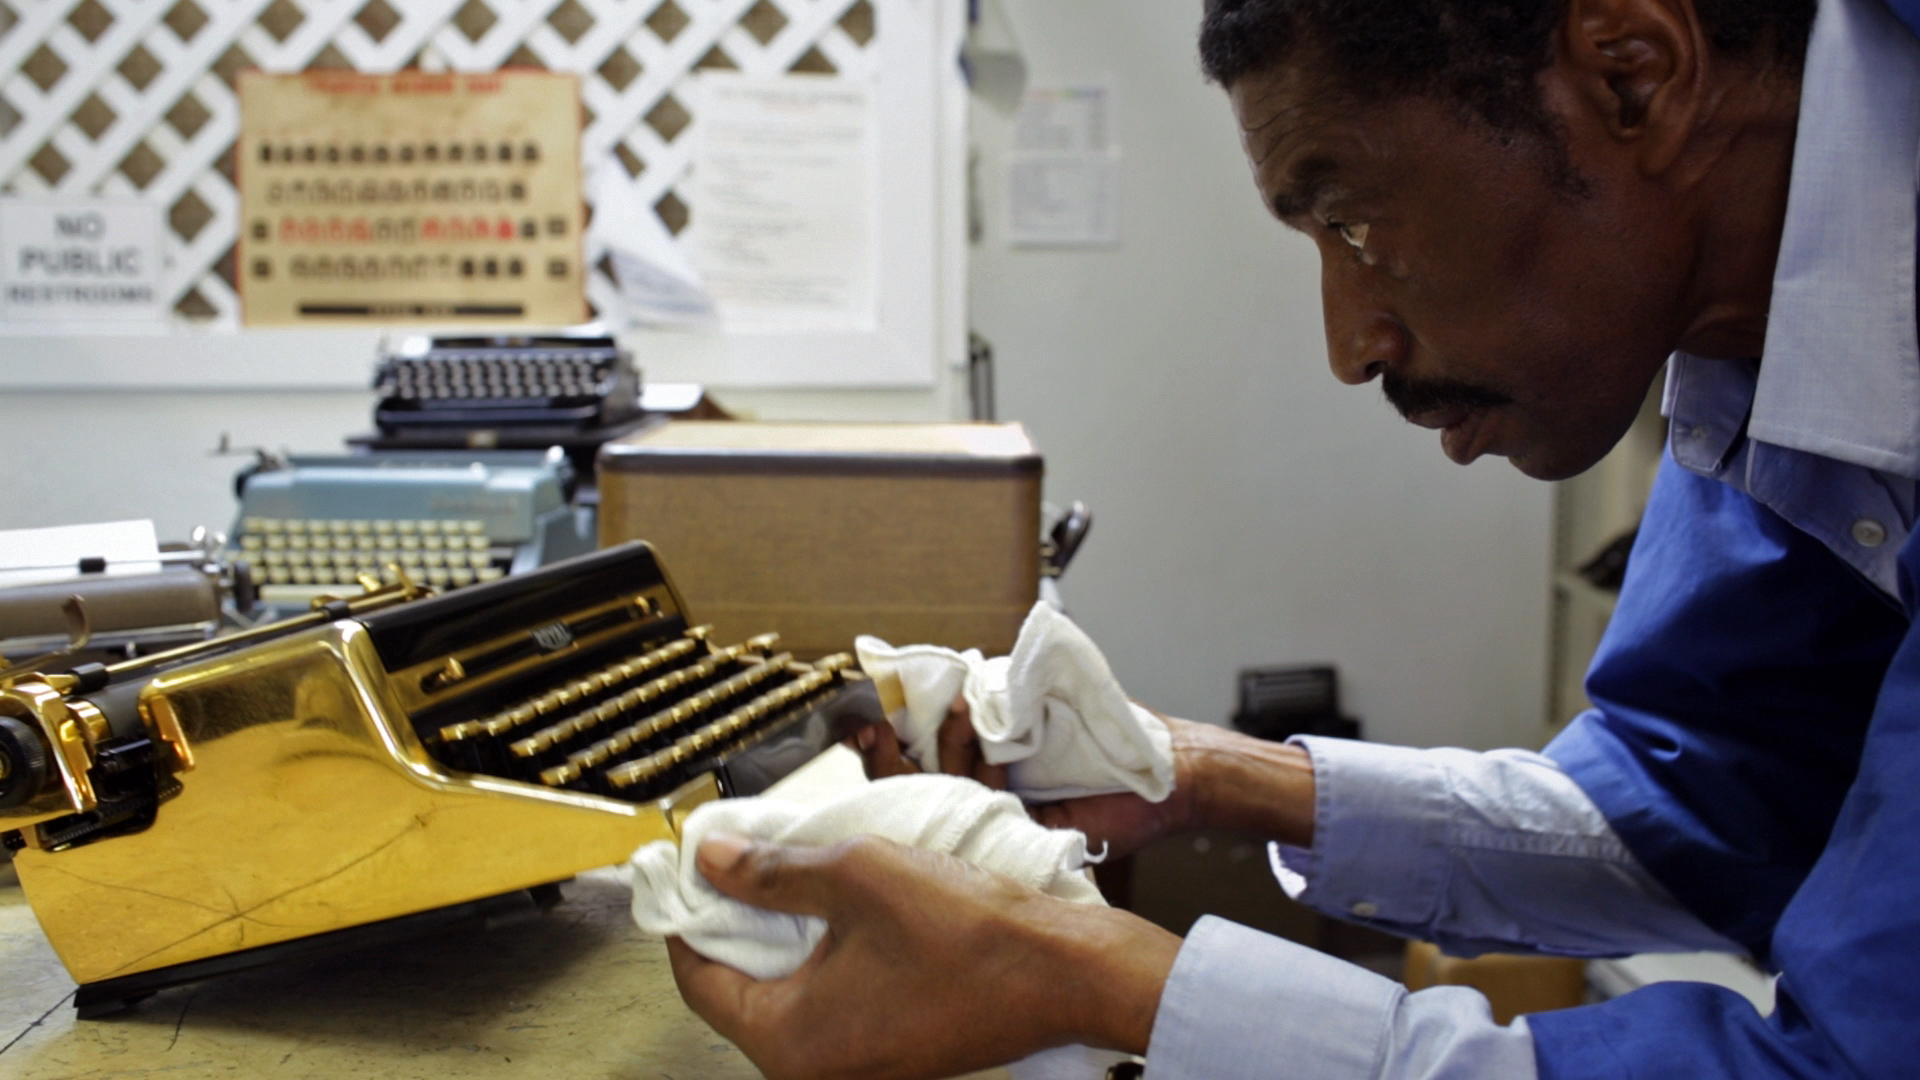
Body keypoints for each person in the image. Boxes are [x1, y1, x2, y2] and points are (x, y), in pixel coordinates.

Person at [664, 0, 1920, 1076]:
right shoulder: (1760, 341)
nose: (1349, 344)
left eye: (1360, 227)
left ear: (1633, 74)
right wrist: (1193, 776)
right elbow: (1697, 807)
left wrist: (1097, 978)